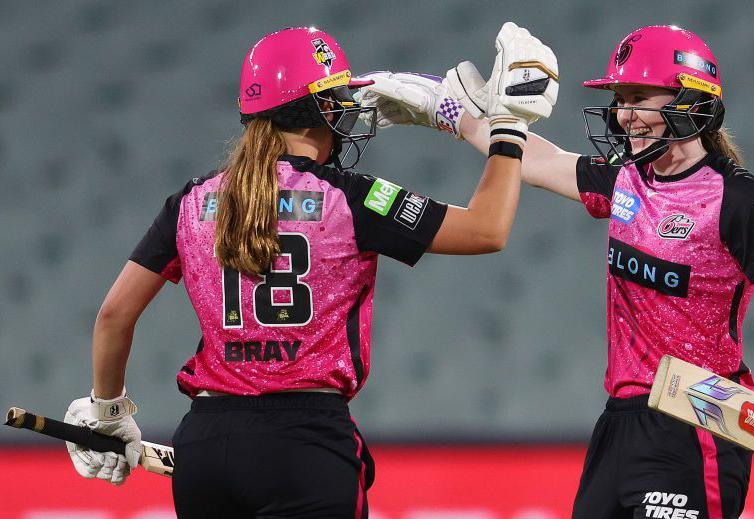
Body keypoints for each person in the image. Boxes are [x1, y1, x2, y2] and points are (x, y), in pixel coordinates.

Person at [61, 24, 557, 518]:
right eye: (338, 95)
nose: (348, 106)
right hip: (306, 442)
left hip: (207, 443)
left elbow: (113, 316)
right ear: (319, 108)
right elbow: (487, 230)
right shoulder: (351, 196)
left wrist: (107, 411)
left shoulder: (190, 201)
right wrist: (508, 130)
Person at [358, 24, 754, 518]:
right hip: (620, 425)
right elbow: (539, 159)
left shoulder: (737, 198)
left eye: (638, 96)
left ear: (690, 103)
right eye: (620, 98)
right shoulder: (626, 181)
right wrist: (449, 113)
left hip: (698, 427)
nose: (624, 113)